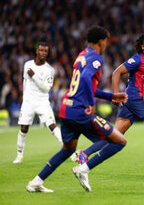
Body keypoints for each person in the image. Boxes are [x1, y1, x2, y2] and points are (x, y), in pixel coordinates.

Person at [26, 26, 128, 193]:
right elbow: (87, 78)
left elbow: (88, 85)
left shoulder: (81, 56)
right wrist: (91, 103)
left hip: (66, 108)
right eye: (106, 42)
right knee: (118, 140)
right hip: (80, 111)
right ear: (101, 42)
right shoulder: (97, 57)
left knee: (68, 150)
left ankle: (36, 182)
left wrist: (111, 96)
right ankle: (84, 168)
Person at [71, 33, 144, 171]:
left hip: (139, 98)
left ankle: (84, 153)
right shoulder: (137, 60)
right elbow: (116, 72)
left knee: (115, 134)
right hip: (135, 97)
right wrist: (116, 94)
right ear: (142, 47)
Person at [13, 42, 62, 164]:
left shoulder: (49, 70)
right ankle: (19, 155)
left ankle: (68, 149)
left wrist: (35, 76)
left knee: (52, 125)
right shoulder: (27, 65)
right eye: (41, 50)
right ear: (37, 51)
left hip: (42, 102)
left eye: (46, 51)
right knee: (24, 128)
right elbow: (26, 83)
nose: (43, 53)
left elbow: (46, 88)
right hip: (28, 102)